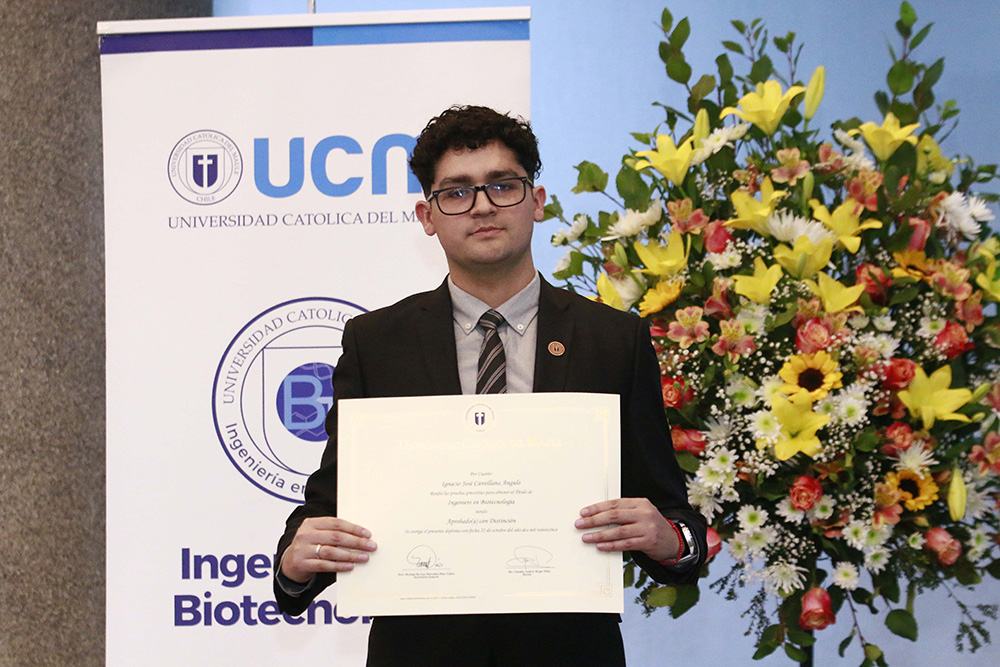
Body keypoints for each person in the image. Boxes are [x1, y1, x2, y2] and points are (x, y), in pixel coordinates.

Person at [274, 105, 707, 666]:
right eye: (456, 192)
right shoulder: (376, 342)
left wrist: (669, 538)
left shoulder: (612, 339)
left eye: (502, 185)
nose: (482, 205)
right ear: (427, 216)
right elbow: (331, 503)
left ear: (537, 201)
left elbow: (673, 516)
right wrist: (294, 566)